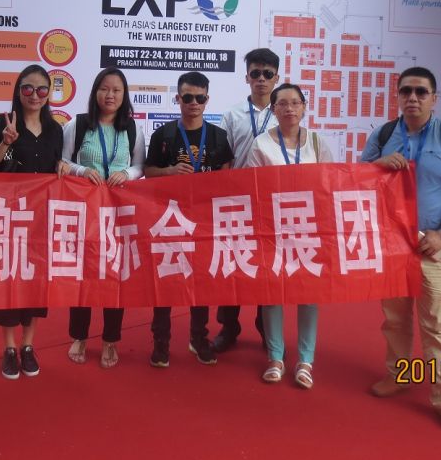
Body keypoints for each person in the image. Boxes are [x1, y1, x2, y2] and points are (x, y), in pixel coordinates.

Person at [361, 66, 441, 436]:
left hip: (434, 248)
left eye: (421, 92)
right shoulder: (384, 135)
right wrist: (377, 165)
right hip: (392, 244)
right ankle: (398, 375)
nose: (413, 98)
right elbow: (356, 179)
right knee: (395, 319)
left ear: (434, 97)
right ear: (398, 96)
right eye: (406, 91)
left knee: (437, 324)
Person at [0, 64, 69, 379]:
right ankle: (9, 347)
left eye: (42, 89)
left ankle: (28, 345)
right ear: (19, 90)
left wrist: (61, 165)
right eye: (28, 88)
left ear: (48, 93)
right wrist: (5, 142)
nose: (35, 95)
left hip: (42, 218)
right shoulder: (4, 122)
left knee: (36, 282)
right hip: (11, 217)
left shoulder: (55, 129)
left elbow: (57, 164)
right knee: (9, 280)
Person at [144, 71, 234, 367]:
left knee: (201, 281)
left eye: (199, 97)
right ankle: (161, 342)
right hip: (169, 219)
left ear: (207, 100)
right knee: (165, 280)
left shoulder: (219, 136)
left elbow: (227, 173)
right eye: (187, 97)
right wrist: (169, 172)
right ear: (178, 98)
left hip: (206, 221)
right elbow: (148, 172)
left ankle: (198, 338)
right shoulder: (163, 135)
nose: (193, 102)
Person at [246, 83, 333, 388]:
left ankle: (305, 360)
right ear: (273, 109)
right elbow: (253, 187)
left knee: (308, 294)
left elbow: (330, 184)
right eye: (282, 103)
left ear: (304, 107)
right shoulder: (261, 144)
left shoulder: (318, 142)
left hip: (309, 228)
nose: (289, 109)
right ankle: (275, 357)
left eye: (295, 102)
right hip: (272, 229)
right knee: (273, 293)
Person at [62, 68, 146, 369]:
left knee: (115, 277)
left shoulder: (132, 129)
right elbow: (62, 161)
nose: (110, 95)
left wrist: (127, 174)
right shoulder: (78, 124)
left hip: (119, 214)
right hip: (85, 212)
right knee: (83, 276)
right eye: (104, 89)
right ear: (95, 91)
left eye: (116, 90)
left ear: (124, 96)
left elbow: (140, 165)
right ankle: (79, 336)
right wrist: (82, 170)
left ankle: (111, 339)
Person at [214, 48, 281, 352]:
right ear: (247, 78)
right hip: (237, 203)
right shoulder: (232, 115)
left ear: (276, 78)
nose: (261, 79)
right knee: (233, 266)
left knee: (268, 267)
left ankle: (267, 329)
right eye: (256, 73)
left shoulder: (284, 112)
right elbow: (223, 159)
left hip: (272, 204)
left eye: (267, 74)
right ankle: (228, 327)